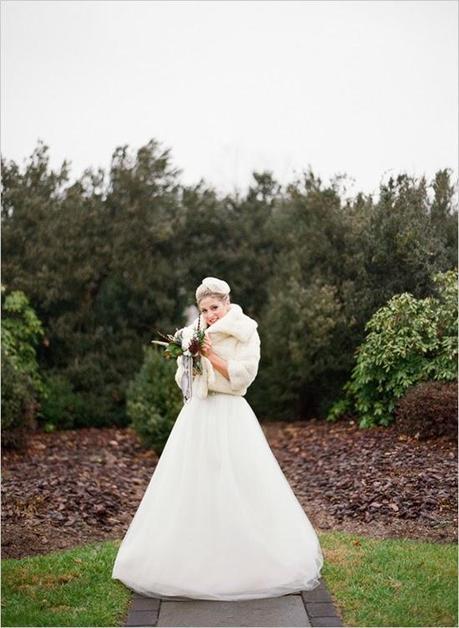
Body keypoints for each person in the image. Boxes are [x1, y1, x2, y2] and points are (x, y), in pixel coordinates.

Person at [111, 277, 324, 601]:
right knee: (192, 484)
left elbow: (244, 376)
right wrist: (190, 361)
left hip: (230, 413)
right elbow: (183, 379)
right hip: (198, 413)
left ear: (227, 302)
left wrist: (210, 356)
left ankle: (247, 558)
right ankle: (187, 557)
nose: (210, 314)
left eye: (215, 307)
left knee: (240, 482)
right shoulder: (190, 333)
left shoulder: (245, 331)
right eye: (205, 309)